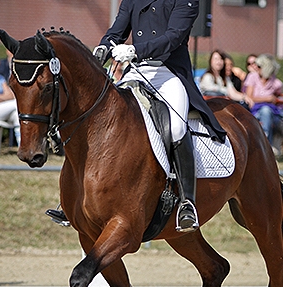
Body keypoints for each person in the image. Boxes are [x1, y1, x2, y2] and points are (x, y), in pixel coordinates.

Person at [90, 0, 227, 233]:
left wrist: (135, 50)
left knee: (175, 128)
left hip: (169, 73)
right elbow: (116, 31)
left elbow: (173, 37)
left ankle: (187, 203)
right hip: (137, 71)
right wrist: (104, 47)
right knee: (103, 116)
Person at [243, 54, 283, 146]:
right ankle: (265, 143)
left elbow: (277, 97)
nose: (256, 67)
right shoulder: (252, 77)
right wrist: (267, 98)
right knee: (266, 111)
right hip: (255, 110)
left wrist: (274, 99)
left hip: (274, 111)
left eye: (260, 66)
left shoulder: (276, 83)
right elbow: (249, 97)